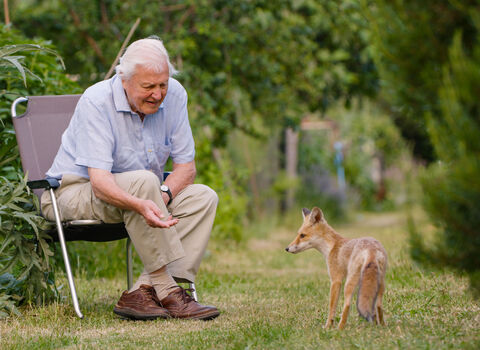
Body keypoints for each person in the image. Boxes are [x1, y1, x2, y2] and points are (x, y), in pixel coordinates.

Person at [40, 37, 220, 321]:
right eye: (148, 87)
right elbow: (99, 182)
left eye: (162, 84)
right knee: (143, 181)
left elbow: (186, 168)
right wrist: (144, 198)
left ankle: (140, 293)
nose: (158, 94)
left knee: (203, 196)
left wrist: (158, 198)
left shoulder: (175, 95)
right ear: (124, 80)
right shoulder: (96, 100)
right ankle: (169, 293)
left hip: (139, 191)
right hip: (69, 194)